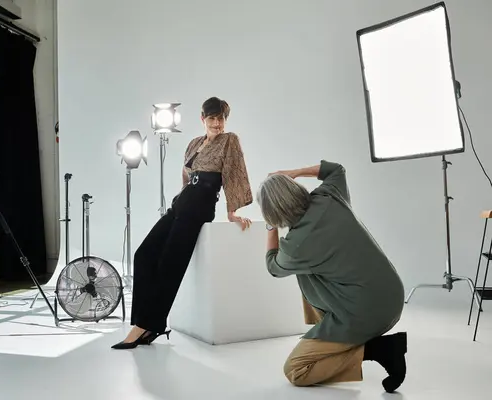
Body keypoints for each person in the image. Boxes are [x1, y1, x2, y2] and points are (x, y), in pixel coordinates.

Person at [111, 96, 253, 350]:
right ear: (203, 119)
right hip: (181, 204)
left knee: (169, 264)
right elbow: (186, 173)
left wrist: (231, 213)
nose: (217, 123)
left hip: (199, 207)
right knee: (143, 255)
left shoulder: (229, 140)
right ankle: (145, 323)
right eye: (212, 118)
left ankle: (145, 327)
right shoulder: (194, 143)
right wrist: (180, 197)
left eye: (221, 118)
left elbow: (234, 173)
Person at [256, 160, 407, 393]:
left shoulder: (296, 247)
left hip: (365, 314)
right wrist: (294, 172)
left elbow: (273, 266)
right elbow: (336, 169)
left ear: (273, 213)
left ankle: (379, 350)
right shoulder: (328, 195)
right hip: (393, 296)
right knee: (308, 271)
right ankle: (333, 335)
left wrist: (270, 226)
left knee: (296, 370)